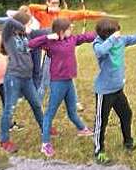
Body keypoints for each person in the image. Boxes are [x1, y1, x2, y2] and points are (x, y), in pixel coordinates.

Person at [92, 18, 136, 165]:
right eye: (116, 31)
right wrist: (112, 39)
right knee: (101, 122)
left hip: (118, 90)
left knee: (126, 114)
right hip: (104, 91)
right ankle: (99, 151)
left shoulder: (121, 40)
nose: (119, 33)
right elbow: (100, 52)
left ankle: (128, 141)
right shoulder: (99, 43)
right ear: (108, 34)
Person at [28, 0, 107, 111]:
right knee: (44, 81)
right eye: (53, 3)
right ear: (47, 2)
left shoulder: (63, 13)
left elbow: (82, 14)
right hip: (50, 52)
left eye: (57, 3)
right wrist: (47, 9)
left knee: (69, 78)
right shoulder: (42, 13)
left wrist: (98, 14)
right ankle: (37, 103)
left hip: (64, 52)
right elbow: (31, 7)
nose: (56, 6)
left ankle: (74, 102)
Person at [28, 18, 94, 158]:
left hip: (69, 81)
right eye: (69, 28)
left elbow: (86, 37)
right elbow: (31, 44)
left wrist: (102, 33)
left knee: (72, 110)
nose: (72, 30)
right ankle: (45, 144)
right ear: (61, 31)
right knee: (49, 114)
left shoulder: (72, 39)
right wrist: (47, 37)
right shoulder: (50, 42)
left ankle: (82, 129)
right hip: (58, 83)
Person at [0, 12, 46, 153]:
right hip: (14, 77)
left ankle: (45, 129)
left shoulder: (25, 35)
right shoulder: (8, 35)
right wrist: (23, 26)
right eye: (28, 23)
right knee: (10, 109)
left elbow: (43, 32)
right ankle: (4, 140)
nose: (30, 26)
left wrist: (60, 27)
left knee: (37, 104)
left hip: (27, 78)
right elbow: (9, 22)